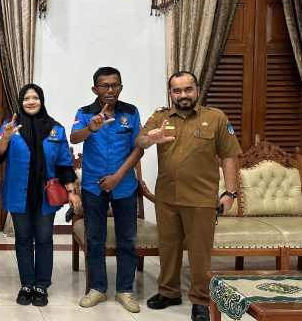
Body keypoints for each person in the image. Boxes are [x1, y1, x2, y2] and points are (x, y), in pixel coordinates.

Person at [136, 71, 241, 321]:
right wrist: (150, 139)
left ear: (197, 90)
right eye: (177, 91)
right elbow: (140, 141)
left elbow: (229, 155)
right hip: (167, 197)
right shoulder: (160, 117)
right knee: (168, 248)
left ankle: (201, 299)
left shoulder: (215, 118)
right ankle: (169, 292)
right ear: (170, 93)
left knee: (199, 253)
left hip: (201, 199)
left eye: (188, 89)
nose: (183, 95)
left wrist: (230, 192)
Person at [0, 84, 81, 307]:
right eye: (26, 98)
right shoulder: (10, 126)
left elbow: (64, 164)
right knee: (23, 238)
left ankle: (41, 285)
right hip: (18, 193)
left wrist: (71, 191)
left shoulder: (56, 129)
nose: (31, 102)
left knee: (43, 239)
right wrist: (5, 138)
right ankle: (26, 285)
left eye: (35, 98)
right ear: (20, 102)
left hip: (45, 195)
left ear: (41, 100)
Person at [69, 67, 144, 313]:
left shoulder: (131, 112)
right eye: (104, 86)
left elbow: (138, 149)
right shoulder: (85, 112)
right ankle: (98, 289)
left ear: (121, 87)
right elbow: (74, 138)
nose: (110, 90)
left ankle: (125, 290)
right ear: (95, 89)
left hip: (124, 185)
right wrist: (91, 128)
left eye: (115, 85)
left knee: (127, 239)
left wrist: (117, 177)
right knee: (95, 239)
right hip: (93, 186)